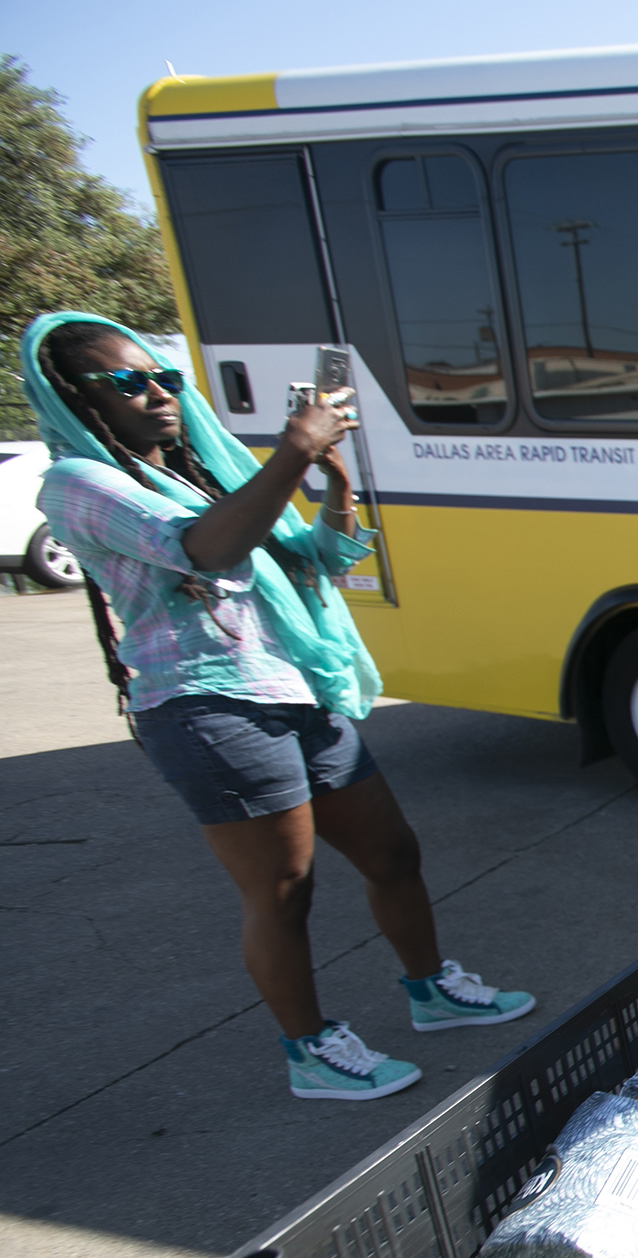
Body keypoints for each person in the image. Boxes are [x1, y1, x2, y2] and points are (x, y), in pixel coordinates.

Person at [23, 314, 536, 1102]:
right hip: (205, 704)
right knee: (283, 889)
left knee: (393, 852)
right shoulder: (80, 483)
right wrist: (291, 449)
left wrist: (331, 479)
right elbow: (203, 549)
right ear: (75, 397)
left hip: (296, 686)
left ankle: (430, 990)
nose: (158, 393)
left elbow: (314, 560)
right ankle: (312, 1049)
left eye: (167, 377)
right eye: (130, 382)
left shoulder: (209, 468)